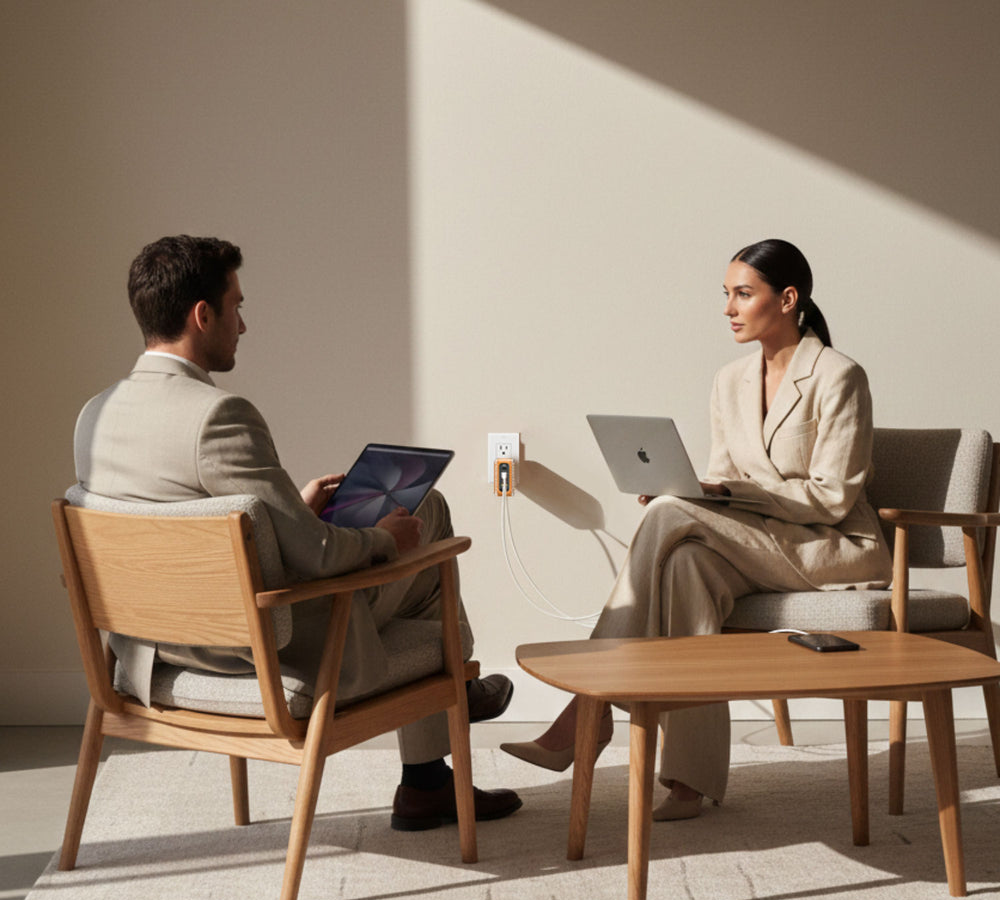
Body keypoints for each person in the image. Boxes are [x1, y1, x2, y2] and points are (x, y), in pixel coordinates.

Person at [74, 235, 522, 830]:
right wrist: (386, 539)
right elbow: (316, 557)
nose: (243, 324)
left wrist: (295, 510)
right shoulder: (218, 417)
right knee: (428, 519)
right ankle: (449, 710)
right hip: (254, 649)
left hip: (151, 647)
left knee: (399, 535)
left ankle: (436, 755)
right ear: (201, 316)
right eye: (236, 307)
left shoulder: (94, 416)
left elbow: (189, 529)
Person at [502, 238, 892, 820]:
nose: (729, 308)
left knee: (667, 516)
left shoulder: (839, 376)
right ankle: (690, 779)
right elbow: (719, 478)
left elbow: (832, 497)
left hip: (832, 548)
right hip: (752, 543)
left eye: (743, 294)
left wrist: (718, 497)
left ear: (787, 299)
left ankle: (587, 710)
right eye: (726, 295)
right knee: (684, 560)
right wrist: (694, 492)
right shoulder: (729, 381)